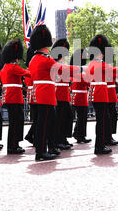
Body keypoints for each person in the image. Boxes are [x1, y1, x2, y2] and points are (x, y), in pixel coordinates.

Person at [29, 25, 80, 161]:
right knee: (44, 125)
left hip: (45, 94)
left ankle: (51, 147)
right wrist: (80, 68)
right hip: (45, 94)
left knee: (50, 123)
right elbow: (61, 68)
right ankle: (41, 152)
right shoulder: (44, 59)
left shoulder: (34, 59)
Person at [86, 35, 118, 154]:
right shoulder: (99, 64)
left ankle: (101, 144)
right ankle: (99, 146)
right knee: (102, 121)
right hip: (100, 94)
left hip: (97, 94)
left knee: (102, 120)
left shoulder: (93, 63)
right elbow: (115, 71)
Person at [0, 39, 31, 154]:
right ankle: (13, 146)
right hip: (14, 98)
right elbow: (29, 74)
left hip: (10, 96)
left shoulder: (5, 67)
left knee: (15, 122)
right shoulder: (13, 67)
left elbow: (14, 83)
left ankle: (13, 145)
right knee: (16, 122)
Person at [51, 38, 75, 150]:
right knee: (60, 119)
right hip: (59, 94)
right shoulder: (56, 64)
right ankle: (58, 140)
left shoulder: (61, 64)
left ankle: (63, 138)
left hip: (65, 94)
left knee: (68, 117)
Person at [70, 48, 91, 143]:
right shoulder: (79, 71)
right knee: (82, 116)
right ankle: (80, 136)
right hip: (80, 96)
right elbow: (86, 82)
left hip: (78, 95)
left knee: (81, 116)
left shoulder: (75, 70)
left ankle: (77, 133)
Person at [24, 46, 36, 145]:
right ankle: (31, 135)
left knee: (37, 118)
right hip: (34, 95)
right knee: (38, 118)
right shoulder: (30, 69)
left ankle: (31, 135)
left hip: (31, 95)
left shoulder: (29, 68)